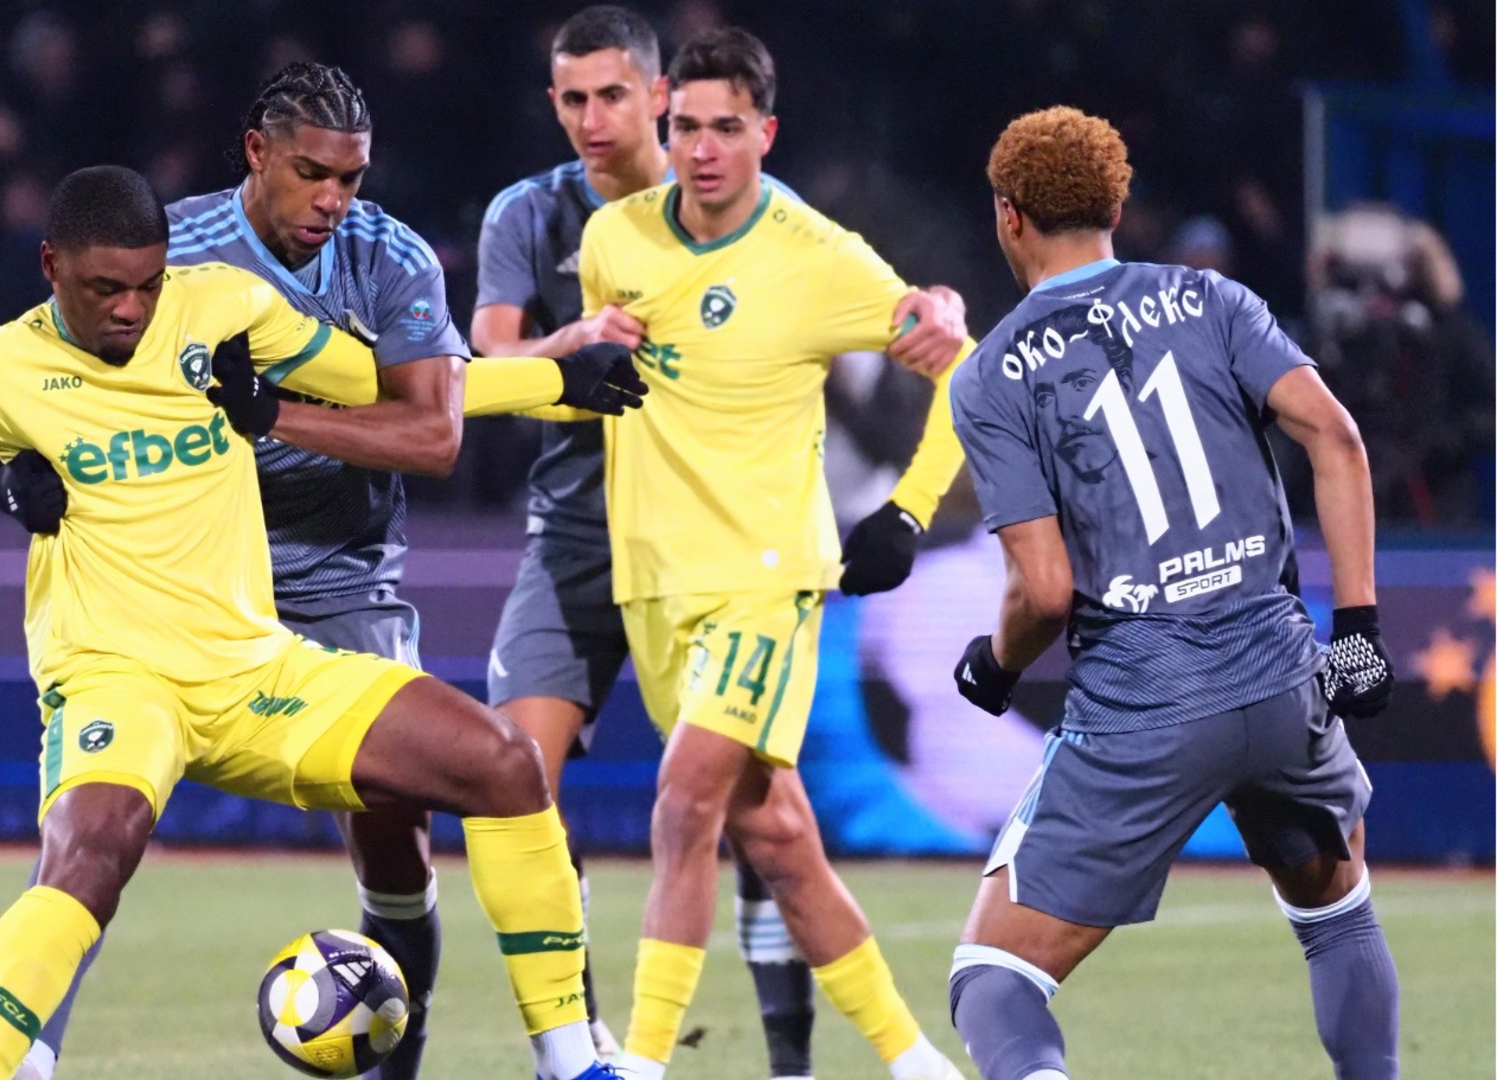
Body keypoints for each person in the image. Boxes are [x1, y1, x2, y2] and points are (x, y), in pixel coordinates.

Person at [0, 121, 632, 1080]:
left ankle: (569, 1062)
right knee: (91, 846)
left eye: (147, 284)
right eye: (104, 289)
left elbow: (379, 385)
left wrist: (557, 381)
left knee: (503, 763)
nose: (131, 309)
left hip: (254, 672)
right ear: (51, 266)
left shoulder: (219, 306)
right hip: (118, 683)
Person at [0, 63, 640, 1080]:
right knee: (92, 832)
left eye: (351, 178)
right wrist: (4, 466)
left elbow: (432, 432)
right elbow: (19, 375)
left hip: (337, 577)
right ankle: (20, 1060)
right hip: (177, 584)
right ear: (257, 153)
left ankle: (418, 1060)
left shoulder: (390, 259)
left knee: (398, 837)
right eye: (312, 173)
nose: (333, 198)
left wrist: (271, 415)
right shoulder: (169, 251)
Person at [472, 10, 968, 1076]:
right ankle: (917, 1061)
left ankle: (640, 1062)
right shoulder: (615, 241)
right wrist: (533, 372)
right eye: (689, 126)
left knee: (684, 801)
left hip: (763, 581)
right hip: (652, 582)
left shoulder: (820, 256)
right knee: (778, 835)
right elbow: (584, 394)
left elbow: (960, 367)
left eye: (726, 128)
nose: (703, 149)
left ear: (765, 134)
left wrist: (909, 510)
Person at [945, 106, 1398, 1080]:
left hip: (1145, 704)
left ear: (1008, 216)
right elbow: (1336, 438)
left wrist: (993, 665)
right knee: (1337, 915)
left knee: (993, 979)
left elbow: (1045, 592)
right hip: (1283, 682)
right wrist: (1357, 626)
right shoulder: (1213, 299)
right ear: (1117, 207)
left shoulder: (991, 376)